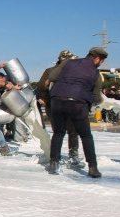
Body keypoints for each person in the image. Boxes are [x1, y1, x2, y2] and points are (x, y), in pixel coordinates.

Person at [47, 47, 108, 177]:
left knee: (58, 133)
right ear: (96, 58)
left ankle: (53, 163)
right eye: (101, 61)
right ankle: (93, 168)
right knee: (86, 136)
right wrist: (100, 100)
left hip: (57, 100)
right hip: (78, 104)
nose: (101, 63)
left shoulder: (68, 62)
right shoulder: (96, 74)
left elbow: (52, 76)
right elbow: (96, 97)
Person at [37, 50, 80, 160]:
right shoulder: (51, 71)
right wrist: (43, 98)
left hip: (68, 105)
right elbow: (41, 86)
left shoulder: (74, 72)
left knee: (70, 131)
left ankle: (71, 155)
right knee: (62, 132)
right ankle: (57, 157)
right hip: (54, 105)